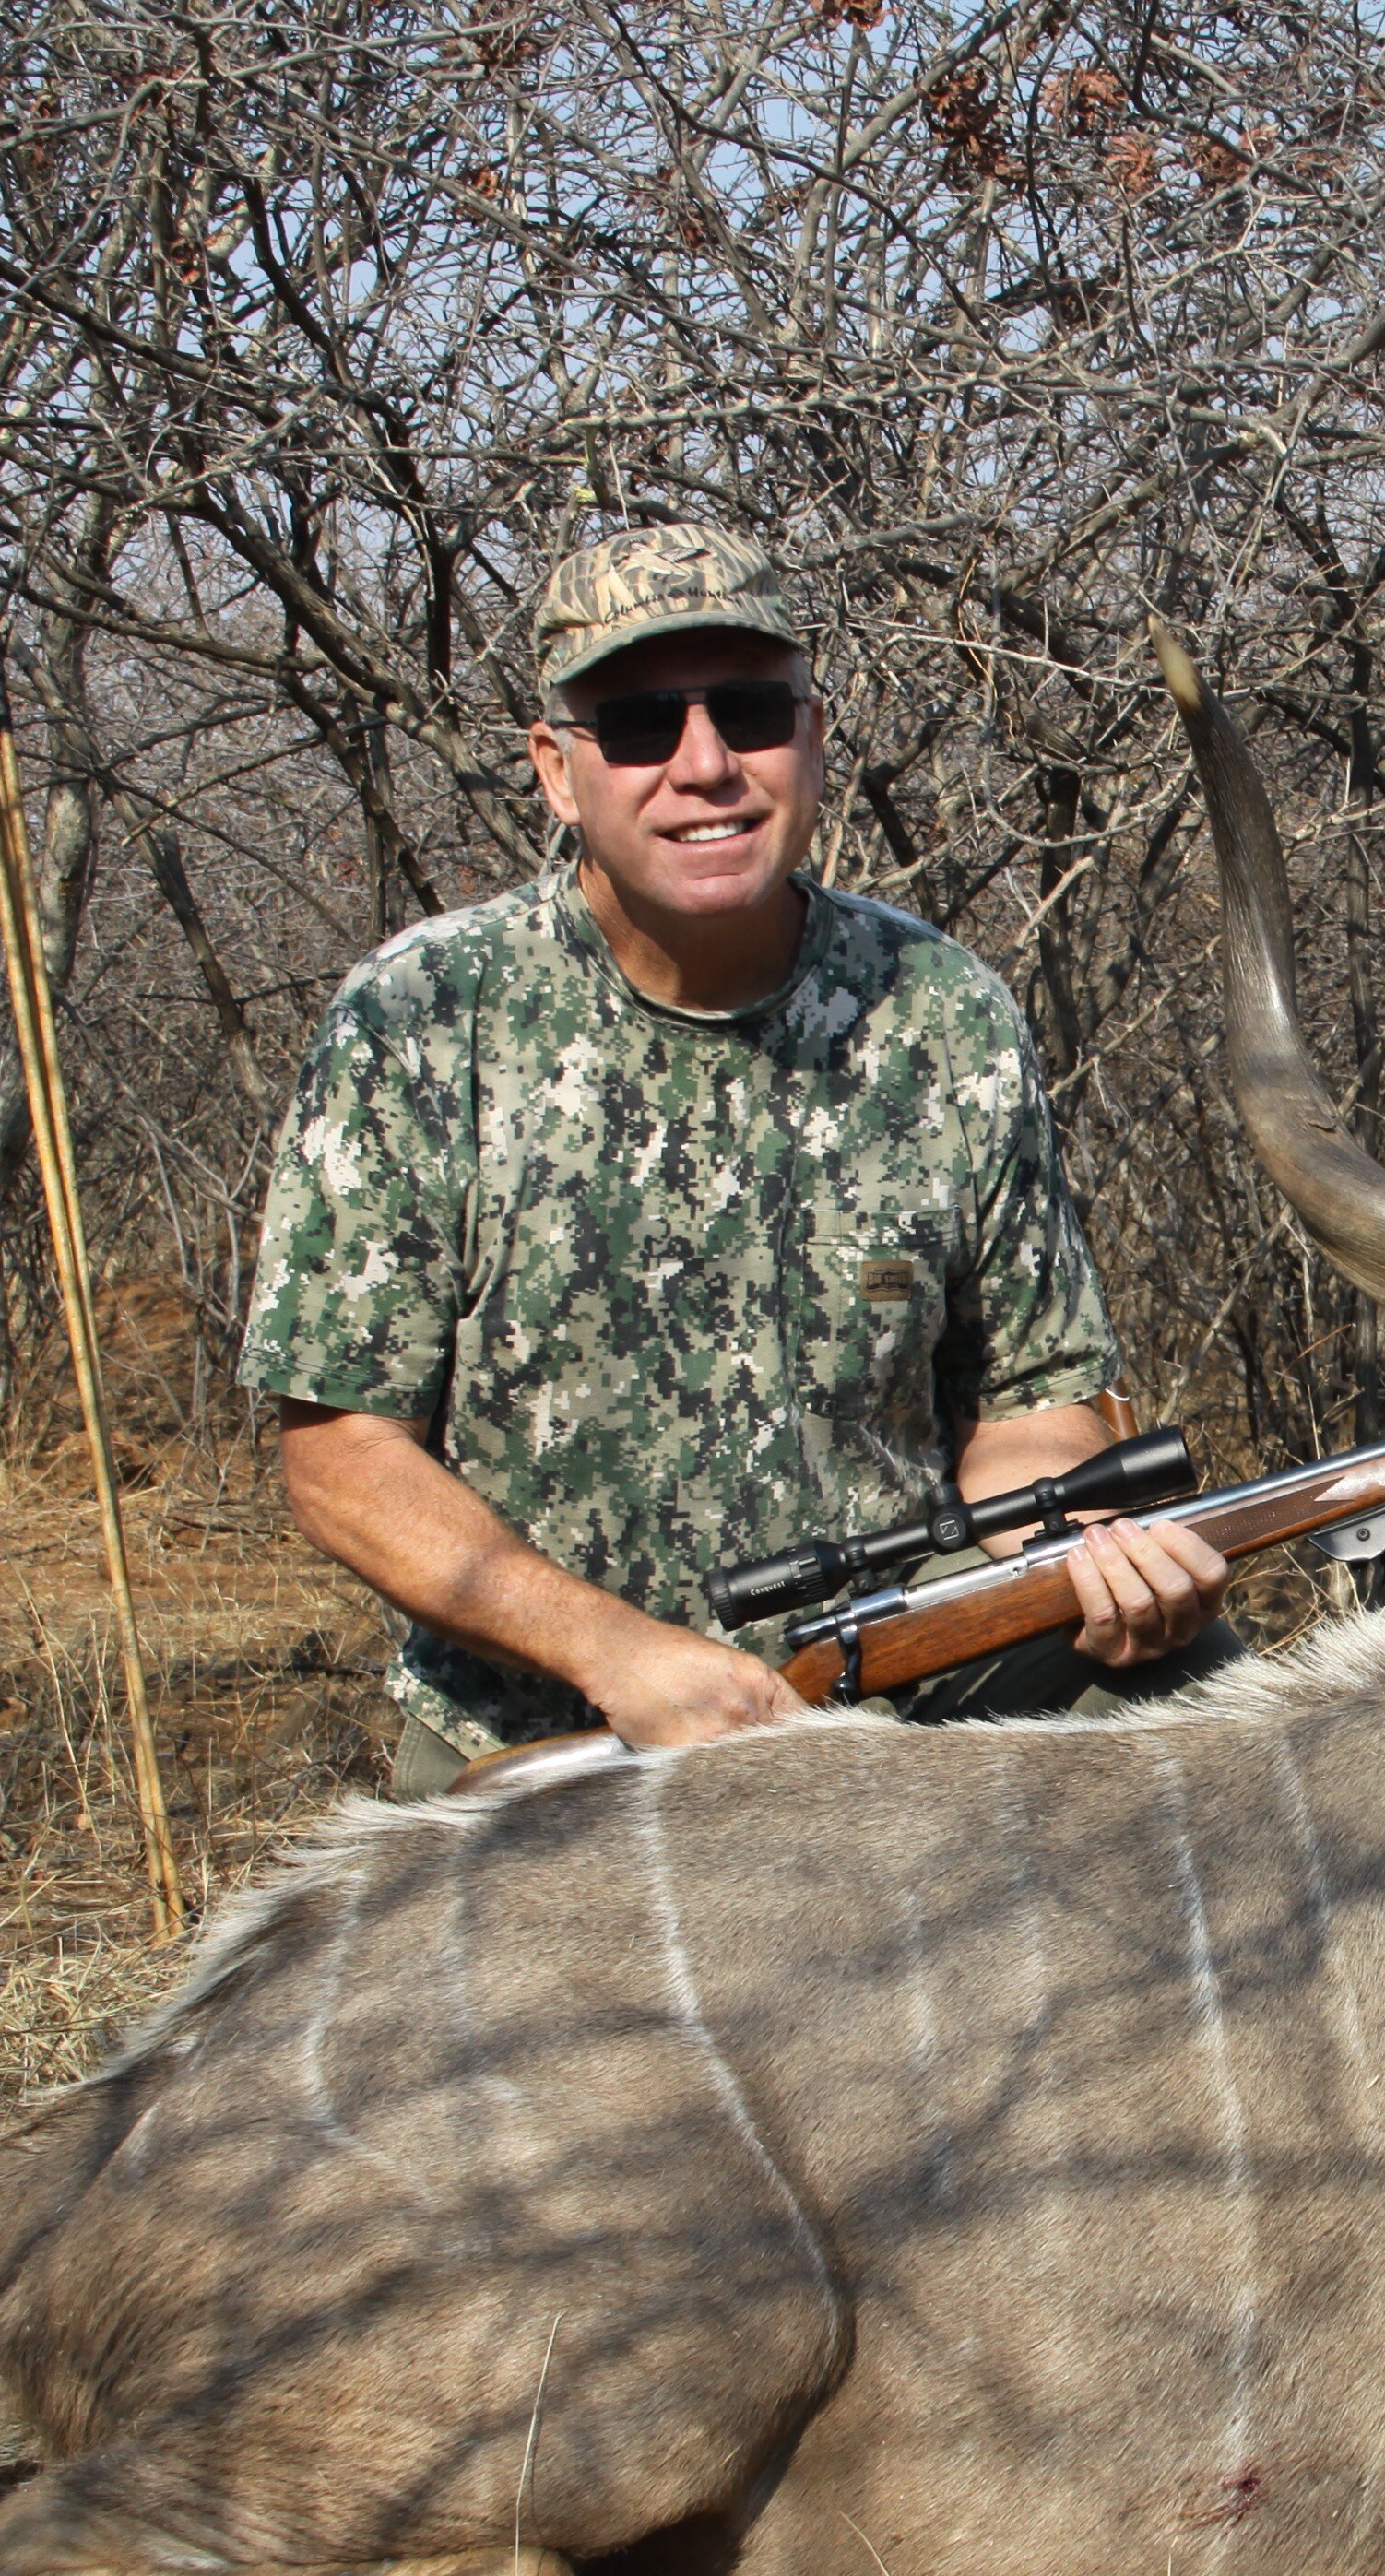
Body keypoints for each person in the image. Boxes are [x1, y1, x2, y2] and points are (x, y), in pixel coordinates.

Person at [238, 523, 1233, 1795]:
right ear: (556, 769)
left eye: (752, 712)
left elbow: (1031, 1407)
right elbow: (341, 1456)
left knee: (1213, 1710)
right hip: (548, 1728)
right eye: (643, 725)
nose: (705, 766)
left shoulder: (944, 1010)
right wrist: (614, 1652)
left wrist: (1082, 1546)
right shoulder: (425, 1013)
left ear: (814, 741)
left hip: (894, 1695)